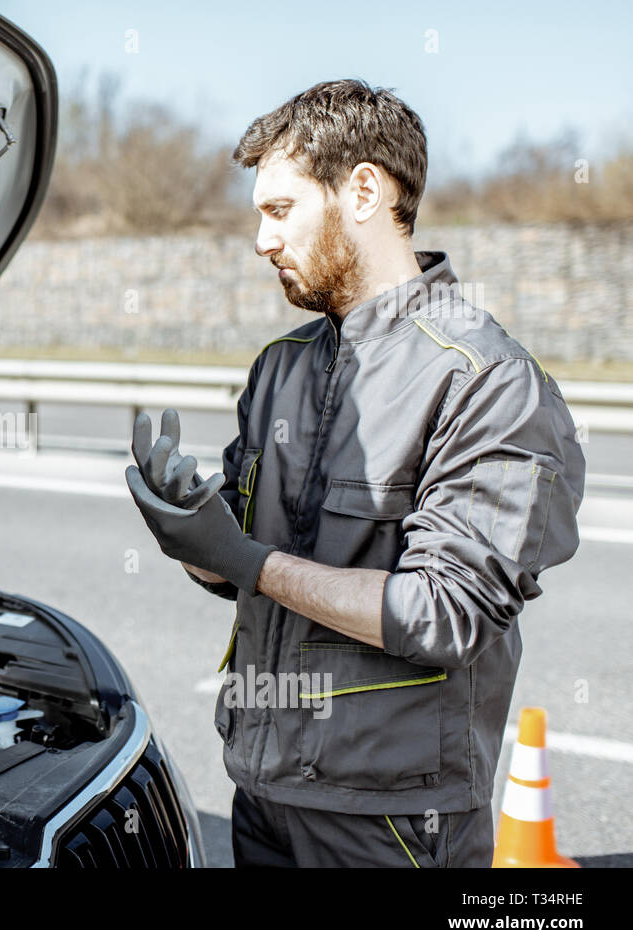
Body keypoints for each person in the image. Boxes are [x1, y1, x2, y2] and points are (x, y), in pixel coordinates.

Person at [126, 78, 587, 867]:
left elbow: (444, 613)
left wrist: (250, 561)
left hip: (395, 821)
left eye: (279, 211)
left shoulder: (484, 378)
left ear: (365, 189)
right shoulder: (279, 368)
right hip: (263, 796)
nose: (262, 241)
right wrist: (190, 530)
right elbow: (238, 574)